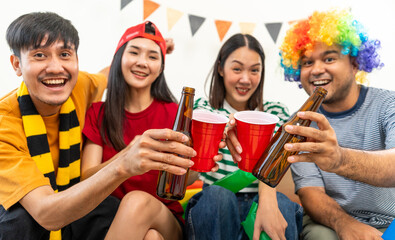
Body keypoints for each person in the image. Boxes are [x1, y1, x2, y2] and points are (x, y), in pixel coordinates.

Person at [0, 12, 195, 240]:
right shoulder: (6, 124)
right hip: (42, 213)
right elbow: (46, 212)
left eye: (64, 54)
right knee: (19, 220)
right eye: (39, 55)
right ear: (17, 64)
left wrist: (154, 45)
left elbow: (113, 70)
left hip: (124, 212)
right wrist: (124, 161)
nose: (55, 68)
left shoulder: (80, 84)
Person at [81, 21, 217, 240]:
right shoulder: (98, 113)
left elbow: (185, 179)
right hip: (107, 219)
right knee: (151, 238)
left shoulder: (177, 115)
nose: (142, 62)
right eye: (134, 52)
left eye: (153, 57)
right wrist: (126, 157)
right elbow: (86, 179)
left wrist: (200, 162)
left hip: (164, 217)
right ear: (118, 58)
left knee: (138, 202)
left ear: (161, 67)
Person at [278, 9, 395, 239]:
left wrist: (339, 159)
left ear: (354, 63)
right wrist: (345, 224)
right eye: (307, 62)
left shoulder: (388, 104)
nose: (317, 69)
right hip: (331, 222)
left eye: (329, 58)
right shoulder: (300, 123)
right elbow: (310, 193)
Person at [185, 33, 303, 240]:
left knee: (282, 203)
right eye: (237, 69)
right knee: (217, 196)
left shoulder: (277, 113)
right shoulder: (203, 110)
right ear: (221, 68)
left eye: (254, 70)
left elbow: (280, 164)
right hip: (216, 205)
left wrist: (267, 199)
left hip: (262, 201)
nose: (245, 79)